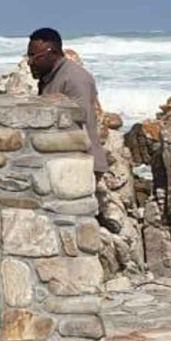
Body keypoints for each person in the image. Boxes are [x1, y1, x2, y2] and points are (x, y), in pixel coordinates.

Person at [25, 27, 121, 233]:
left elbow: (77, 121)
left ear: (51, 53)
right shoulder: (50, 76)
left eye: (34, 56)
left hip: (81, 162)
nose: (29, 61)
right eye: (29, 55)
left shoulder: (74, 78)